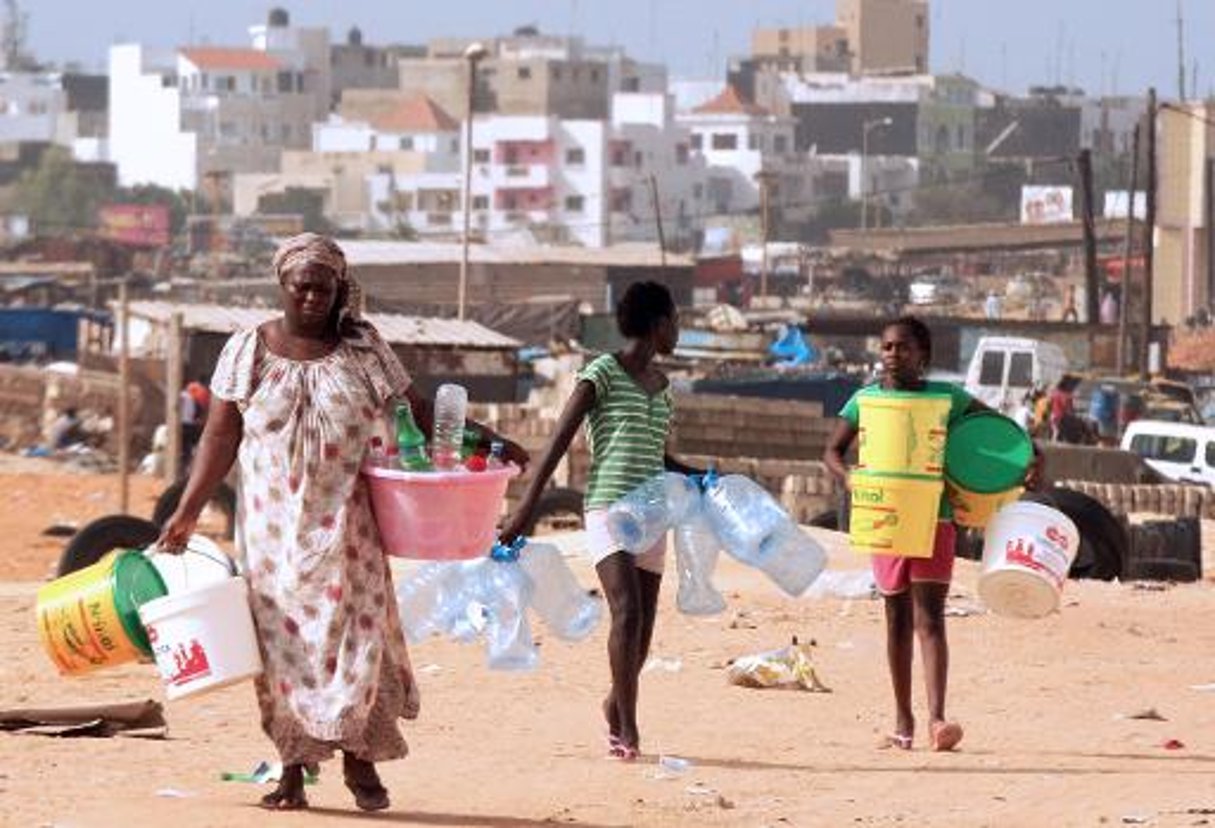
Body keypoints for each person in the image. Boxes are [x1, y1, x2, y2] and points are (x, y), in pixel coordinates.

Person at [156, 233, 527, 812]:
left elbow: (422, 414)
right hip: (271, 534)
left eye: (322, 289)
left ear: (338, 292)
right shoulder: (247, 349)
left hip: (349, 529)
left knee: (357, 640)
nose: (311, 298)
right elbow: (221, 435)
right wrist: (186, 511)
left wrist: (493, 441)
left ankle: (361, 759)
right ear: (282, 286)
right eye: (301, 287)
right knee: (284, 651)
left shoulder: (364, 348)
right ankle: (292, 771)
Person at [500, 281, 704, 762]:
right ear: (658, 325)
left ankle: (615, 701)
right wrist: (526, 508)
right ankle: (628, 728)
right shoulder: (602, 373)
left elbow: (659, 455)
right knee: (626, 612)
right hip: (609, 507)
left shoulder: (663, 387)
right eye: (675, 321)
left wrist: (702, 477)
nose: (677, 330)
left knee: (644, 635)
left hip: (654, 513)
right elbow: (557, 442)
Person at [824, 316, 984, 753]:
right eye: (888, 347)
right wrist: (850, 478)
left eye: (904, 347)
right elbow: (832, 452)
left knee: (930, 618)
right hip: (885, 518)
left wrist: (1013, 463)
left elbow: (990, 430)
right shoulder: (866, 400)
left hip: (936, 517)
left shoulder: (947, 398)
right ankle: (902, 720)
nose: (893, 355)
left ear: (923, 355)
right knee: (895, 618)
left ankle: (937, 719)